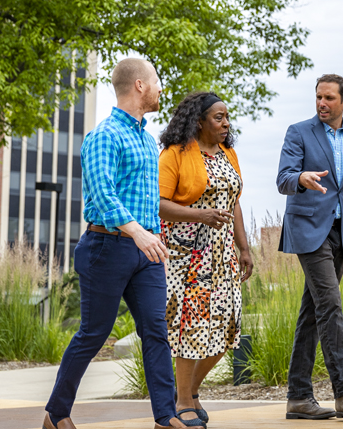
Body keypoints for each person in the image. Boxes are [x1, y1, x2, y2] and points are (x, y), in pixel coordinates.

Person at [43, 59, 187, 429]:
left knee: (157, 331)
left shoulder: (145, 137)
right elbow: (103, 195)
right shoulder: (104, 135)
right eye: (156, 82)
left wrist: (152, 236)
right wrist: (138, 232)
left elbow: (146, 199)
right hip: (107, 247)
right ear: (139, 85)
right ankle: (56, 413)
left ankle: (165, 417)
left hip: (147, 252)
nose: (160, 89)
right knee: (94, 333)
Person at [276, 74, 343, 420]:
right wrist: (301, 179)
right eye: (318, 97)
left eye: (329, 98)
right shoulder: (298, 132)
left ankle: (298, 397)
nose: (322, 103)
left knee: (313, 312)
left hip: (341, 234)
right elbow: (284, 179)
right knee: (331, 306)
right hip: (308, 230)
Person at [158, 92, 254, 427]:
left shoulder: (229, 153)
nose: (226, 123)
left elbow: (235, 203)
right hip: (188, 256)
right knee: (191, 327)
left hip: (223, 254)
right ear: (198, 121)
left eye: (227, 117)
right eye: (218, 117)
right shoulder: (176, 154)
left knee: (227, 328)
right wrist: (199, 215)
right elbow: (158, 203)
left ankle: (190, 392)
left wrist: (244, 248)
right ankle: (183, 400)